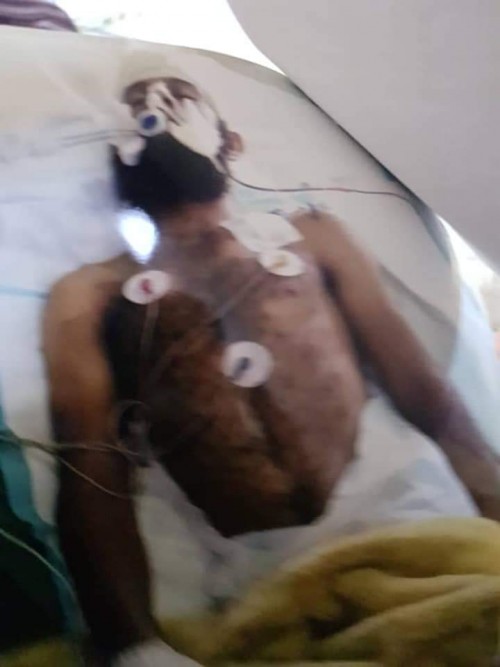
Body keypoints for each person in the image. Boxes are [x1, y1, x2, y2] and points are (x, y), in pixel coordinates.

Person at [43, 68, 500, 665]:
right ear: (116, 156)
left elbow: (423, 392)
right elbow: (91, 468)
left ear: (231, 143)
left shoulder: (316, 238)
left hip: (407, 520)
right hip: (248, 578)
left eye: (179, 101)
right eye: (142, 112)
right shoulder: (89, 298)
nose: (158, 111)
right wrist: (135, 647)